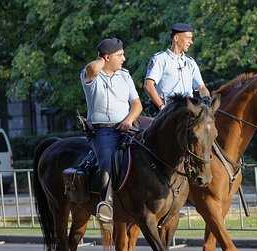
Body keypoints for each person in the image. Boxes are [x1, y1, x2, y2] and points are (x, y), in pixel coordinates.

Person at [80, 37, 143, 226]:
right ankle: (106, 203)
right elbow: (92, 68)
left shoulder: (125, 76)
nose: (124, 58)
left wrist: (129, 120)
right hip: (103, 132)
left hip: (128, 126)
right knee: (107, 161)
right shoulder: (90, 75)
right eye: (119, 55)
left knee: (148, 154)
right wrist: (102, 58)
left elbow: (137, 104)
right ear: (107, 57)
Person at [144, 23, 211, 111]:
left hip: (188, 111)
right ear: (176, 38)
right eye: (188, 38)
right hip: (167, 111)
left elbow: (201, 87)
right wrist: (162, 107)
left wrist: (206, 101)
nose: (191, 42)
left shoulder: (191, 62)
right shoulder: (160, 59)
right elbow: (148, 85)